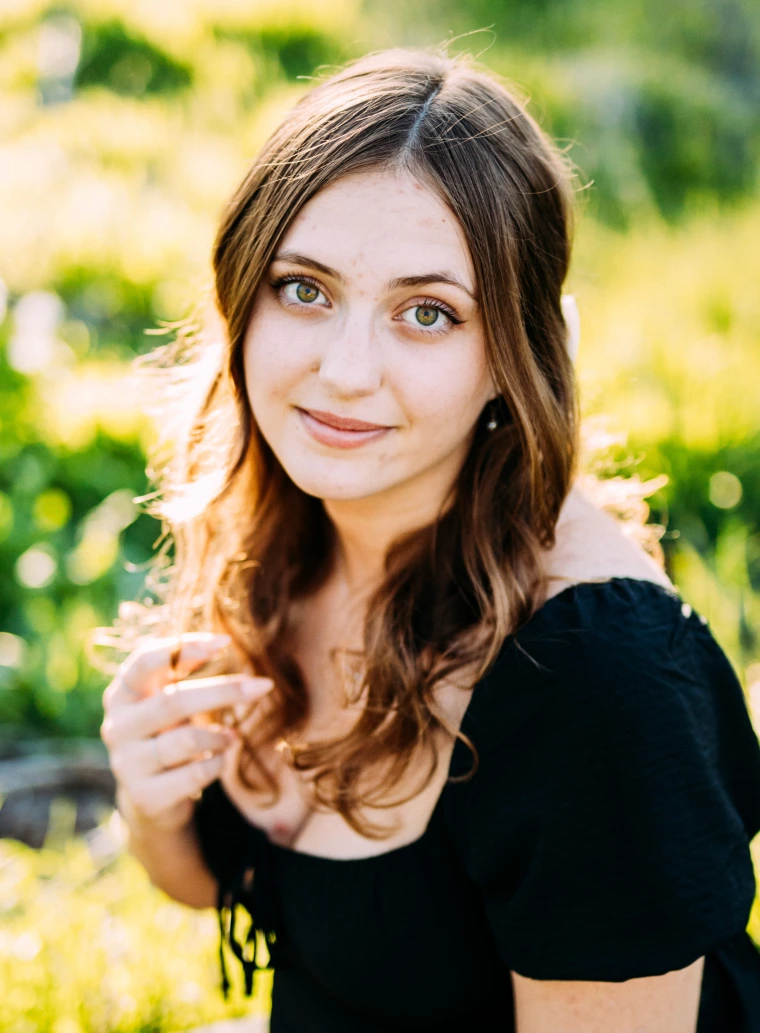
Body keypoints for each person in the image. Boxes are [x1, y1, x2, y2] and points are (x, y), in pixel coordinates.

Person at [98, 46, 760, 1032]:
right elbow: (222, 888)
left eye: (426, 313)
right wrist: (151, 801)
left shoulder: (594, 682)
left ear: (516, 357)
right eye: (305, 289)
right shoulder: (288, 523)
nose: (345, 372)